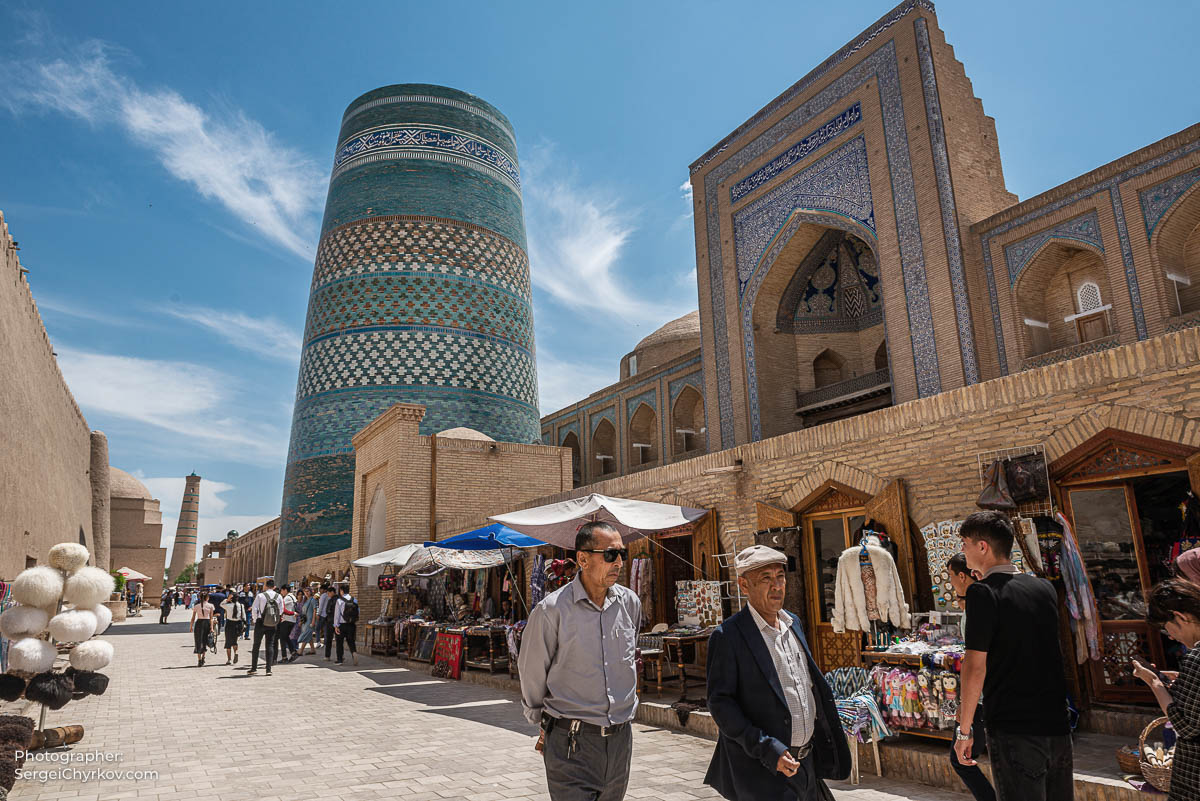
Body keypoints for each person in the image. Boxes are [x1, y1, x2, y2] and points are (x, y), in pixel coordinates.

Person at [703, 545, 848, 801]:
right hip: (764, 770)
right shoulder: (729, 636)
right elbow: (721, 705)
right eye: (766, 579)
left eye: (780, 577)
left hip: (807, 764)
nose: (777, 586)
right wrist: (768, 749)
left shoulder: (793, 624)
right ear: (744, 586)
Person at [955, 511, 1072, 801]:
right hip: (1057, 727)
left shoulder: (982, 594)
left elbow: (975, 667)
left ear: (982, 547)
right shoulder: (1043, 588)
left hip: (1016, 729)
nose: (962, 550)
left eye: (965, 543)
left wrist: (964, 730)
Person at [519, 521, 640, 801]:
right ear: (583, 559)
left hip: (620, 741)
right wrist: (543, 725)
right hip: (570, 743)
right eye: (610, 555)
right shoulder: (551, 611)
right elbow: (532, 673)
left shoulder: (630, 603)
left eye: (623, 553)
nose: (619, 562)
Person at [1136, 579, 1200, 801]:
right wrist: (1185, 681)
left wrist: (1154, 682)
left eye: (1167, 629)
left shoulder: (1196, 658)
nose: (1171, 637)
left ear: (1181, 617)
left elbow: (1186, 726)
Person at [945, 552, 996, 801]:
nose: (951, 582)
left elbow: (976, 666)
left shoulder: (974, 613)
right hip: (1000, 697)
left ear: (962, 576)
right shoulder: (993, 601)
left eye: (952, 577)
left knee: (961, 758)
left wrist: (965, 713)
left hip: (984, 699)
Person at [248, 579, 283, 677]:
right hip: (272, 623)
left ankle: (254, 668)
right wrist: (275, 619)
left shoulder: (260, 596)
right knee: (270, 645)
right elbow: (281, 610)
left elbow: (254, 609)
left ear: (266, 586)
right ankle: (268, 669)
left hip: (260, 622)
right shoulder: (278, 596)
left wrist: (255, 620)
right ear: (274, 586)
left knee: (256, 645)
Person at [333, 583, 359, 666]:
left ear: (341, 591)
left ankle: (340, 659)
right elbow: (357, 612)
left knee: (339, 642)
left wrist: (336, 626)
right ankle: (354, 652)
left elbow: (336, 614)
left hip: (342, 624)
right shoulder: (354, 600)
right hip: (351, 624)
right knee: (351, 641)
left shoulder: (339, 600)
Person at [189, 592, 215, 668]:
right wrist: (212, 628)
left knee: (198, 641)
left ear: (200, 598)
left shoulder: (196, 606)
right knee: (205, 641)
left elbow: (193, 618)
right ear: (207, 598)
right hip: (207, 623)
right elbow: (211, 618)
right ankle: (203, 657)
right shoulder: (211, 606)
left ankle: (199, 660)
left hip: (199, 623)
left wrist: (191, 627)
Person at [221, 591, 245, 665]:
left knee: (228, 642)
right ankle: (236, 652)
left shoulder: (228, 605)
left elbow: (221, 604)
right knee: (235, 641)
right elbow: (244, 616)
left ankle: (229, 659)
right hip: (238, 624)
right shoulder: (241, 605)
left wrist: (227, 599)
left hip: (229, 624)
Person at [277, 584, 298, 663]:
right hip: (292, 620)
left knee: (282, 638)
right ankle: (293, 652)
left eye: (282, 590)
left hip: (287, 620)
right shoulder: (293, 597)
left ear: (285, 590)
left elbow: (281, 607)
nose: (281, 592)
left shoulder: (287, 598)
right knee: (286, 637)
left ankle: (284, 657)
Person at [297, 587, 319, 655]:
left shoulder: (313, 600)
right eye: (305, 591)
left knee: (306, 634)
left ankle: (301, 650)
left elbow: (315, 610)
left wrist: (313, 621)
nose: (306, 592)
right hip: (305, 621)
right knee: (308, 634)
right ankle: (312, 650)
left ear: (311, 592)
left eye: (308, 591)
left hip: (310, 620)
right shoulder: (306, 600)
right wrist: (301, 621)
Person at [322, 586, 339, 661]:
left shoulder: (331, 600)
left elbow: (327, 611)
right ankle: (340, 656)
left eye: (329, 593)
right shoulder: (340, 600)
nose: (328, 595)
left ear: (332, 592)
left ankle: (327, 656)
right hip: (339, 622)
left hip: (330, 621)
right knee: (339, 640)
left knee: (329, 639)